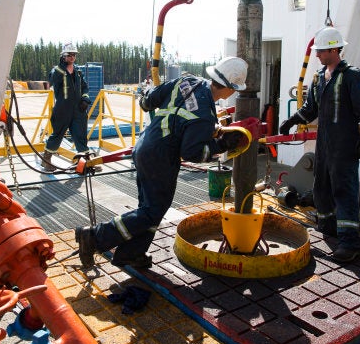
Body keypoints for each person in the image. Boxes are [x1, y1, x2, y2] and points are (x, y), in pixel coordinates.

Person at [75, 56, 249, 268]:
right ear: (231, 88)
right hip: (161, 158)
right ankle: (95, 237)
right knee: (151, 211)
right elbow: (193, 152)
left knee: (149, 208)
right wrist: (222, 145)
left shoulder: (186, 81)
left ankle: (131, 253)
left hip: (144, 147)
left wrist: (150, 101)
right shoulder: (204, 114)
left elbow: (148, 101)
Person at [279, 27, 360, 263]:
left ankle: (350, 242)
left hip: (345, 145)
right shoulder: (318, 78)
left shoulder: (352, 76)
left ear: (335, 49)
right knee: (321, 188)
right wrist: (293, 120)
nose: (317, 55)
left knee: (344, 190)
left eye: (321, 51)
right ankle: (328, 226)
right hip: (324, 143)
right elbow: (310, 109)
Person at [41, 43, 92, 172]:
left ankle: (86, 162)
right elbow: (50, 81)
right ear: (63, 56)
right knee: (57, 135)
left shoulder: (78, 72)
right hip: (63, 110)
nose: (72, 57)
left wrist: (85, 99)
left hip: (78, 110)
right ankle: (46, 160)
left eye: (74, 55)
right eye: (69, 55)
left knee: (80, 136)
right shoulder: (57, 71)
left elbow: (85, 87)